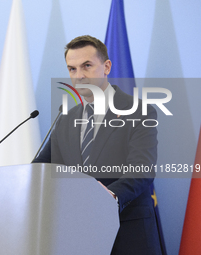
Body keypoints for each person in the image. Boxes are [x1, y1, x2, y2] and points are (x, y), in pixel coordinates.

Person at [33, 35, 162, 255]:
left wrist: (107, 198)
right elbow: (40, 169)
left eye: (87, 66)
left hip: (128, 235)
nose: (79, 76)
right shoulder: (66, 118)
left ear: (107, 66)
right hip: (80, 236)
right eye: (72, 69)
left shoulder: (140, 110)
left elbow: (142, 168)